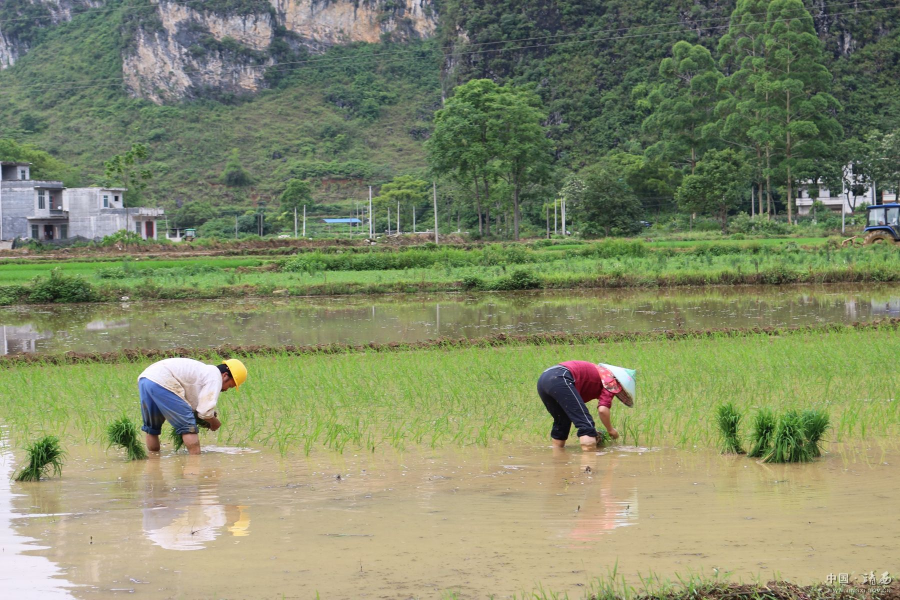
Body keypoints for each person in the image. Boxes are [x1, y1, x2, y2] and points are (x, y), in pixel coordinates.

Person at [138, 357, 248, 455]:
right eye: (230, 385)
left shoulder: (203, 371)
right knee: (188, 427)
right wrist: (214, 423)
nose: (226, 389)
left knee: (152, 428)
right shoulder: (215, 376)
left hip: (146, 379)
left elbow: (195, 404)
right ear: (225, 376)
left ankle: (154, 461)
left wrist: (206, 417)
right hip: (162, 380)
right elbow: (204, 411)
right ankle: (194, 469)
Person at [537, 361, 635, 451]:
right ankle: (589, 465)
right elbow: (602, 410)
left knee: (562, 421)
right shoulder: (611, 381)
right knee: (586, 425)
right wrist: (611, 430)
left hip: (544, 379)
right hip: (561, 377)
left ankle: (558, 456)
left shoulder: (600, 373)